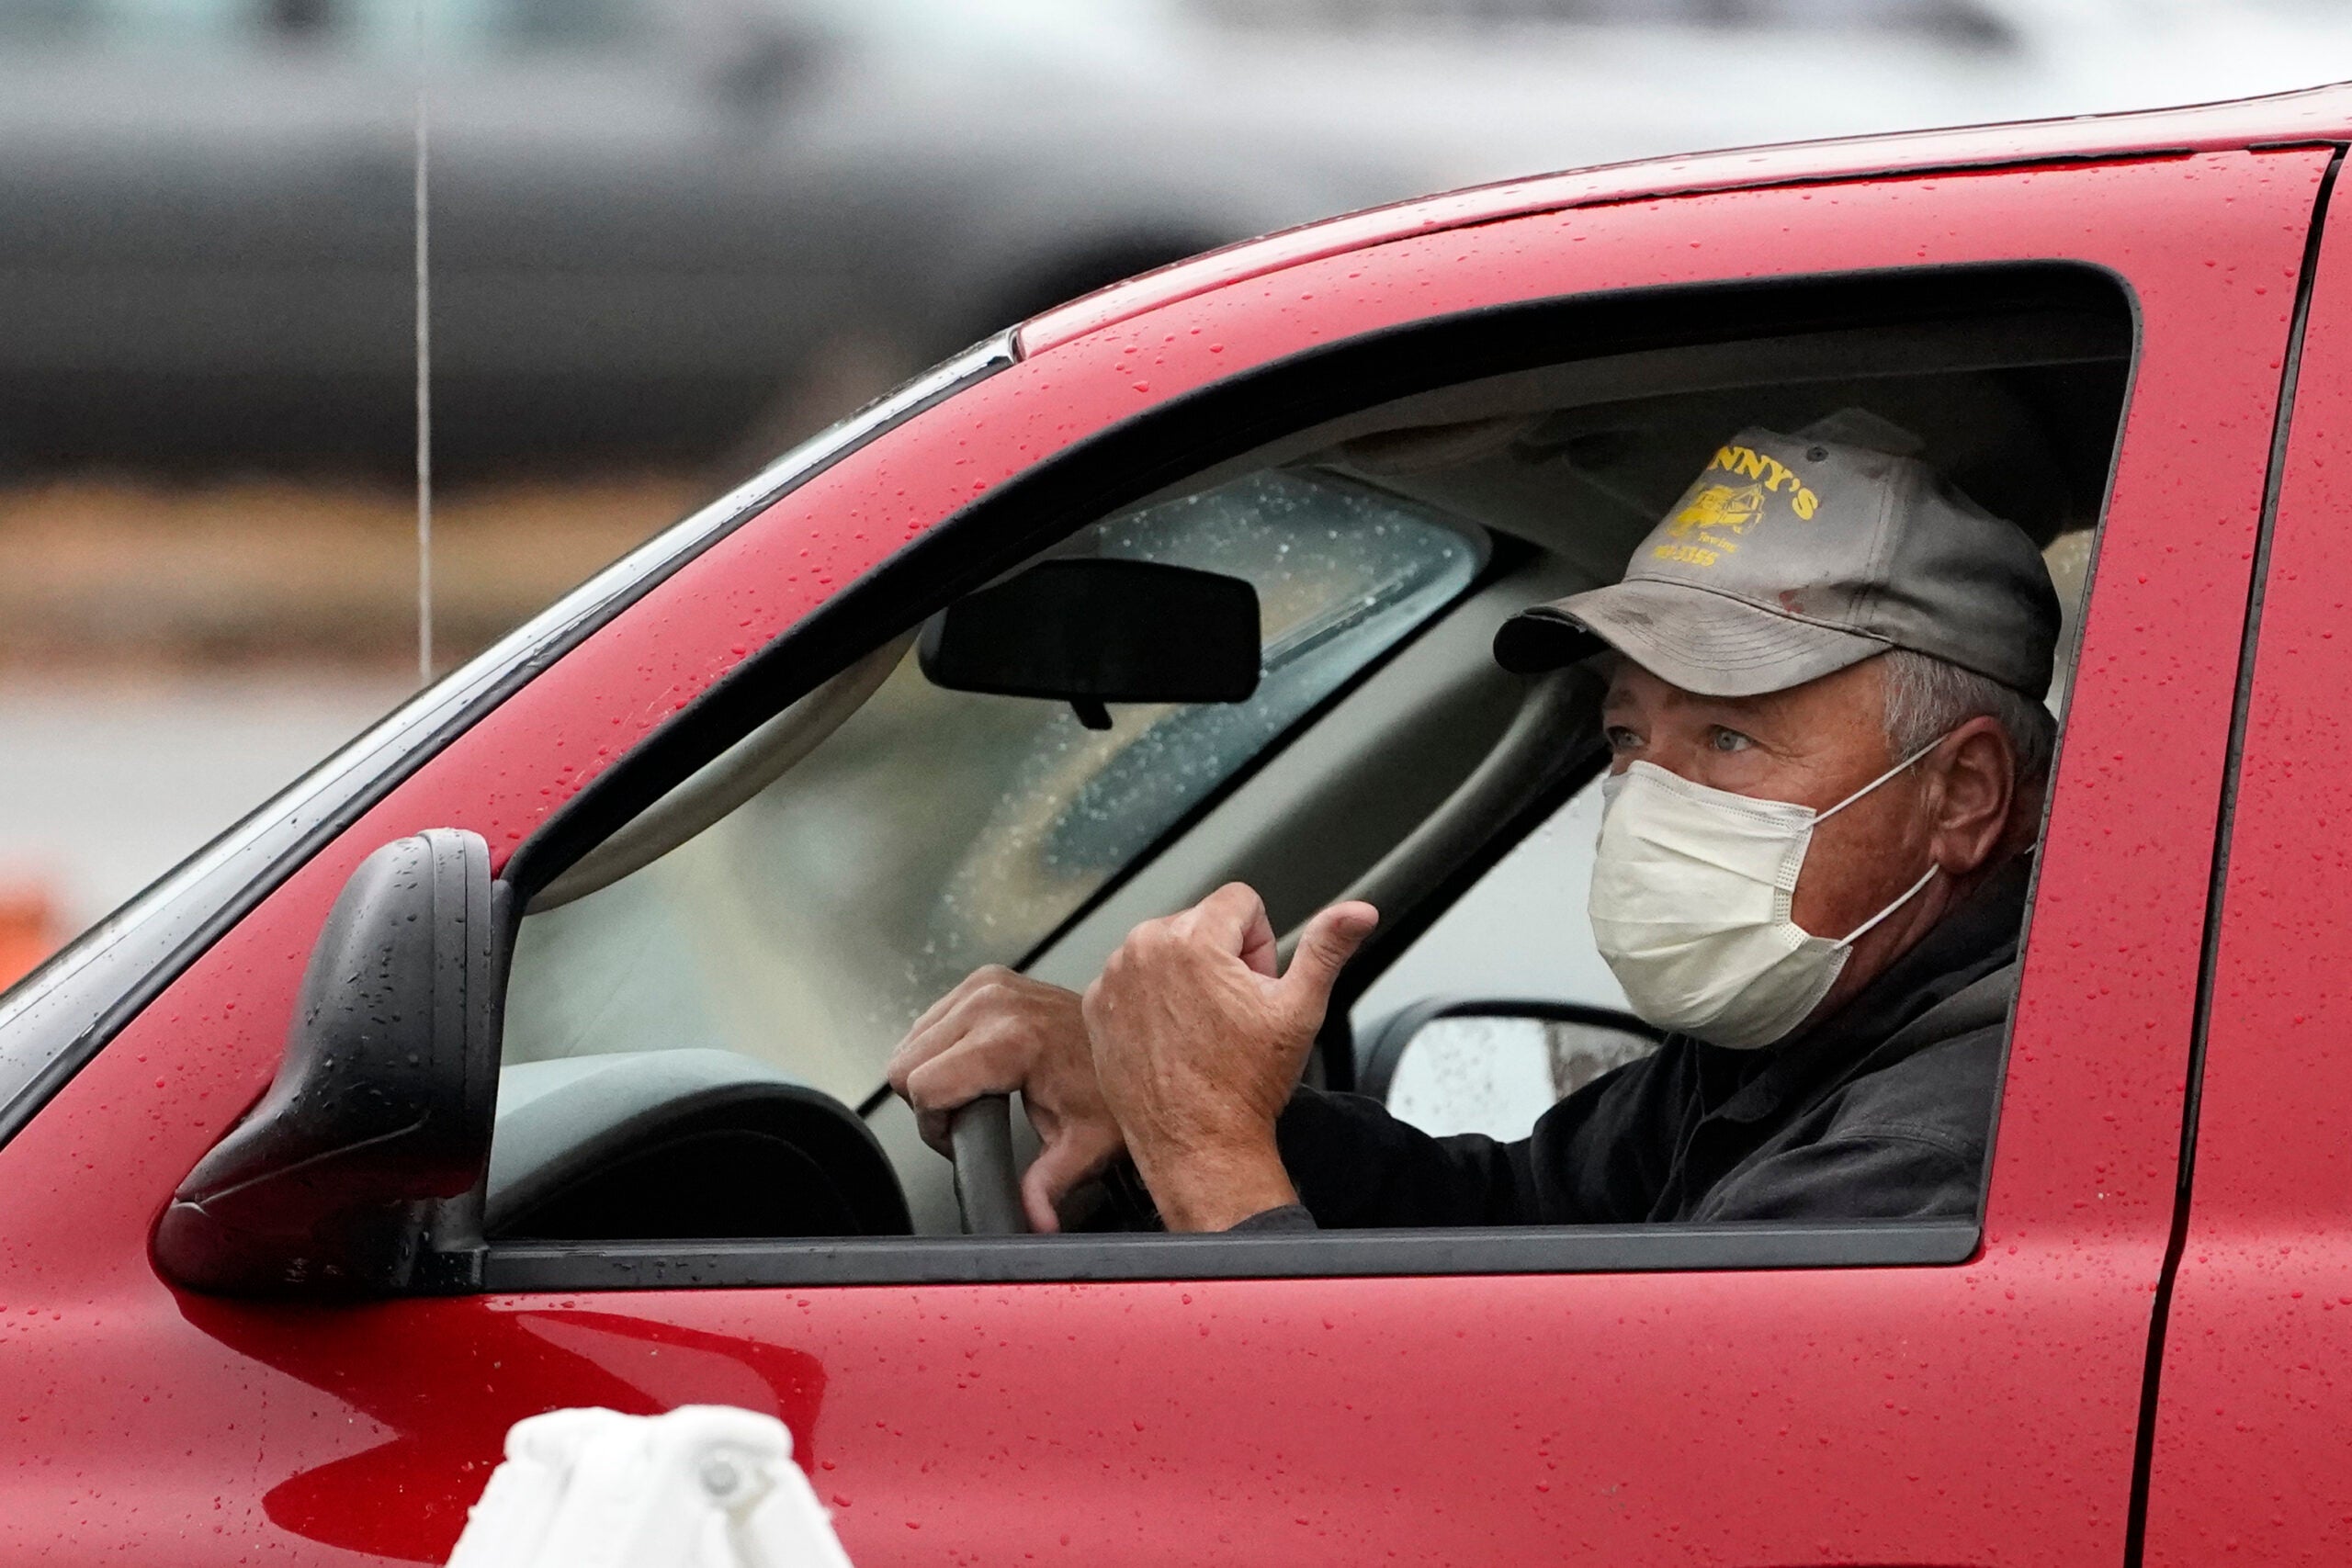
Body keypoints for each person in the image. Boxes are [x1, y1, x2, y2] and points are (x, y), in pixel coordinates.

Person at [888, 414, 2062, 1235]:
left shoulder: (1927, 1165)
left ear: (1961, 796)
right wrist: (1153, 1083)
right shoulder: (1800, 1038)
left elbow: (1519, 1493)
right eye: (1626, 736)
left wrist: (1205, 1149)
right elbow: (1509, 1217)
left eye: (1727, 737)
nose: (1647, 795)